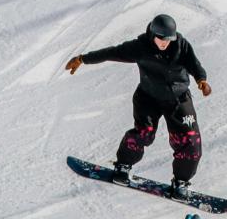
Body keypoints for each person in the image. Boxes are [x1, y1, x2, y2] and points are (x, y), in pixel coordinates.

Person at [66, 14, 212, 194]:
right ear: (153, 35)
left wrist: (201, 80)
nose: (165, 43)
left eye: (169, 39)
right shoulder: (140, 47)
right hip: (148, 97)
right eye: (161, 39)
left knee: (189, 139)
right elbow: (113, 52)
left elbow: (194, 64)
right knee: (144, 133)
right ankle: (123, 165)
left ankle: (181, 182)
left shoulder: (181, 45)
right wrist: (83, 58)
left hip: (178, 99)